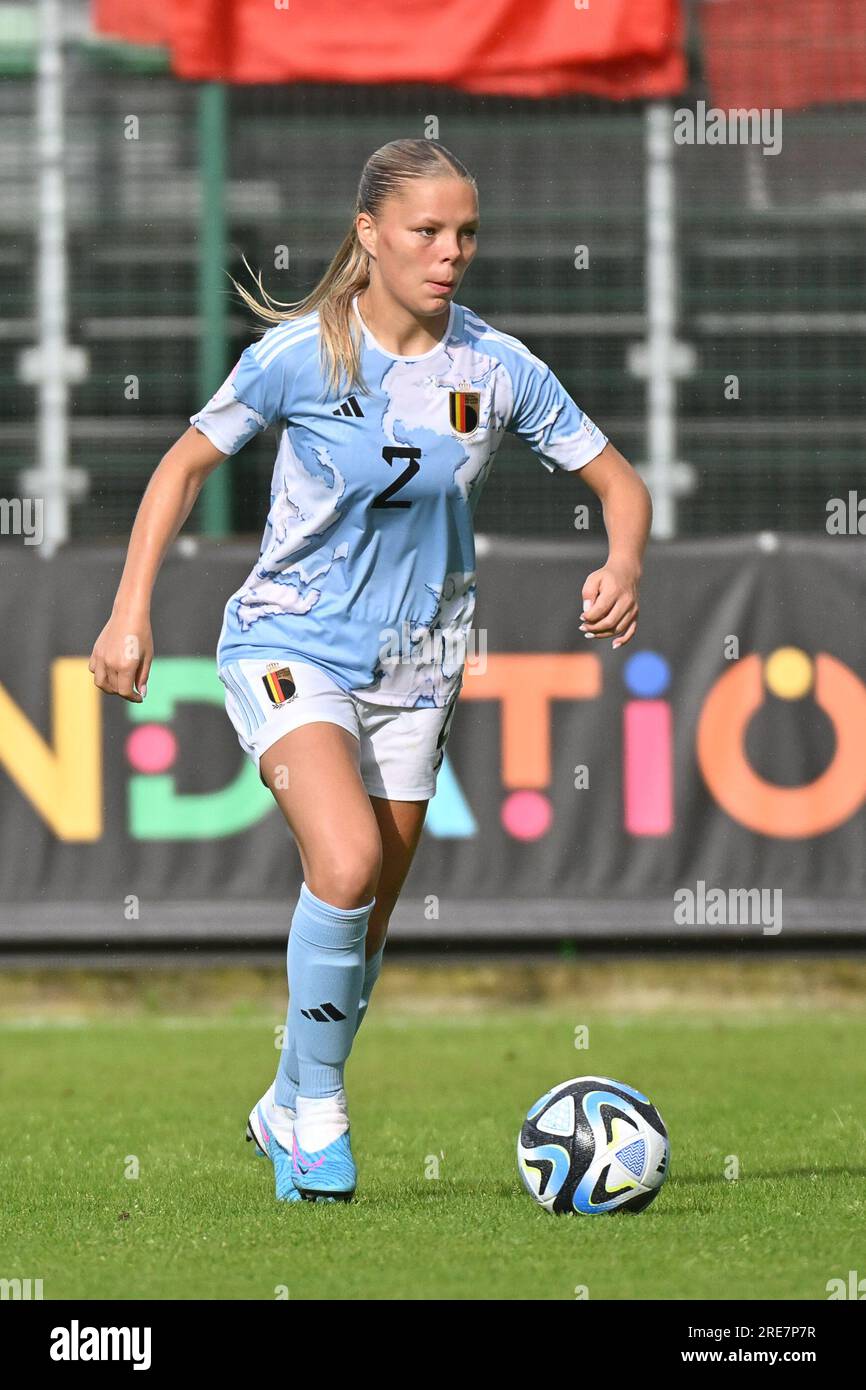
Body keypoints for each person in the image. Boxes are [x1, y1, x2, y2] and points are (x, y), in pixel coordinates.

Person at [89, 137, 652, 1204]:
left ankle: (288, 1095)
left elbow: (620, 483)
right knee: (342, 865)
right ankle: (317, 1117)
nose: (450, 253)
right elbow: (181, 464)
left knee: (369, 912)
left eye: (465, 233)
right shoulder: (301, 354)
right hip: (289, 644)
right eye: (426, 232)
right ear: (368, 235)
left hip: (421, 666)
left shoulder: (496, 369)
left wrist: (621, 560)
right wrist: (128, 614)